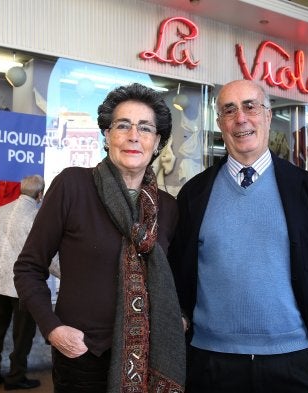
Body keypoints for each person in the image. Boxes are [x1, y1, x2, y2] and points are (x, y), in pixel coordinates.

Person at [168, 79, 308, 393]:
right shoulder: (194, 193)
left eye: (250, 106)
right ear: (220, 124)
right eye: (229, 110)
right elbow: (177, 275)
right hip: (211, 362)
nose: (241, 118)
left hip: (294, 361)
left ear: (267, 116)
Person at [14, 83, 186, 393]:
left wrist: (180, 319)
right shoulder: (73, 186)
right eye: (123, 125)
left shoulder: (168, 207)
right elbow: (28, 267)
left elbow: (176, 278)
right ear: (107, 135)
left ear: (157, 141)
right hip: (83, 356)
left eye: (145, 128)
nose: (134, 136)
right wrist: (53, 330)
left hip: (151, 356)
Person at [0, 174, 45, 390]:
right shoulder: (36, 217)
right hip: (22, 285)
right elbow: (44, 254)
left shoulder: (2, 210)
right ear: (40, 194)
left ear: (21, 190)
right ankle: (15, 378)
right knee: (23, 334)